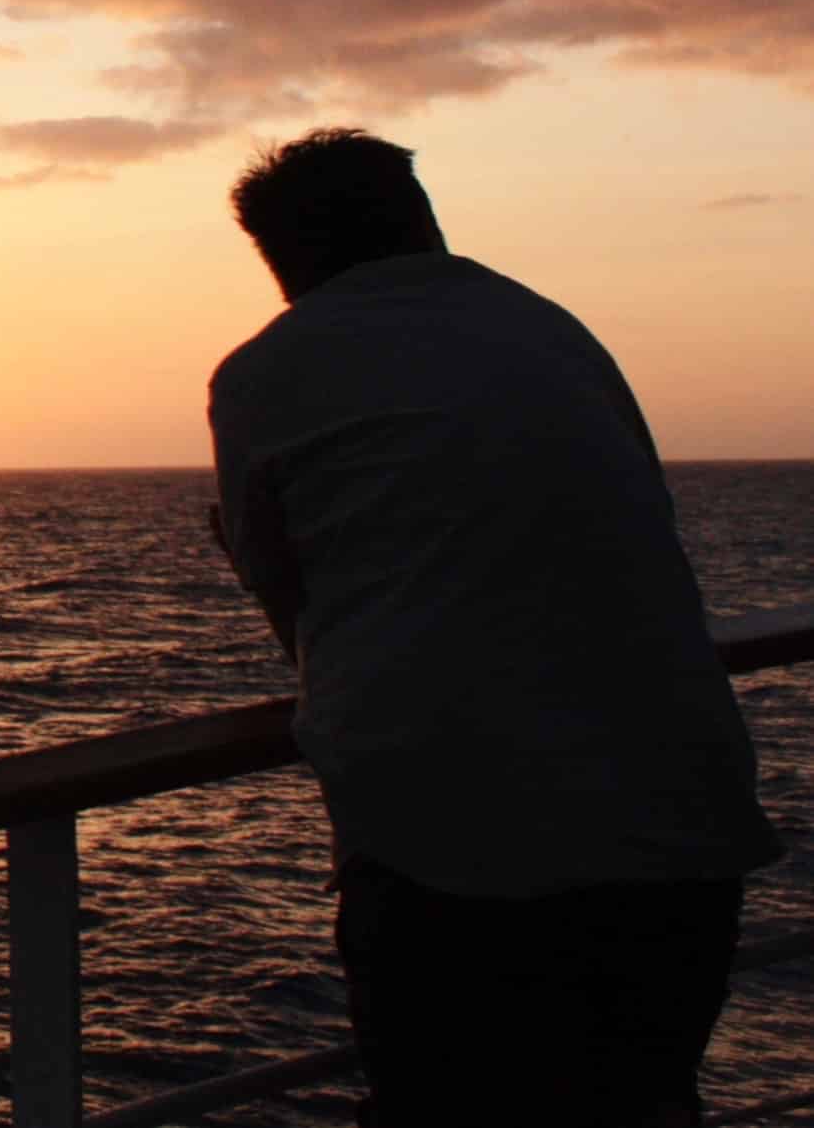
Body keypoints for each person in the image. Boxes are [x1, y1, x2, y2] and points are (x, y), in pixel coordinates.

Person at [206, 128, 781, 1128]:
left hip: (453, 838)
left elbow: (289, 601)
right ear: (421, 219)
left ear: (278, 260)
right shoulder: (549, 328)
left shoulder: (267, 372)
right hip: (675, 818)